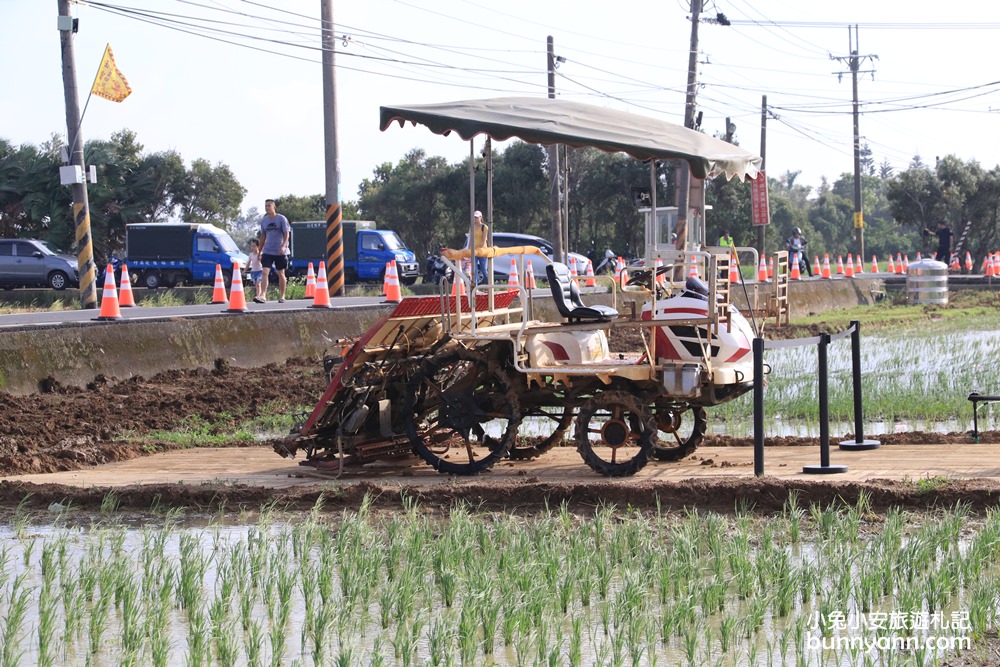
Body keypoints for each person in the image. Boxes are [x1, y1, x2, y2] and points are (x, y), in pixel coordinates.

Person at [257, 199, 290, 303]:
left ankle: (282, 295)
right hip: (268, 250)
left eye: (269, 206)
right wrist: (260, 251)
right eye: (266, 206)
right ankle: (262, 295)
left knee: (281, 273)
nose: (267, 208)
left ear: (274, 207)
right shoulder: (264, 220)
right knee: (265, 271)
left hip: (280, 251)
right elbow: (263, 236)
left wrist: (283, 246)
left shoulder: (281, 219)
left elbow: (286, 234)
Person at [472, 210, 489, 286]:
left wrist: (481, 249)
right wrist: (469, 249)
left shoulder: (484, 227)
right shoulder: (472, 227)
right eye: (474, 217)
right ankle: (475, 287)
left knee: (484, 270)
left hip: (482, 251)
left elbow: (484, 239)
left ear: (480, 217)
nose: (475, 219)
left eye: (477, 217)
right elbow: (471, 239)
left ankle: (489, 284)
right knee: (474, 270)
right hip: (474, 251)